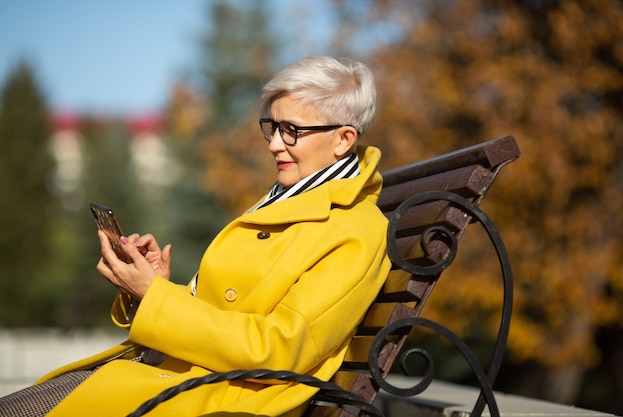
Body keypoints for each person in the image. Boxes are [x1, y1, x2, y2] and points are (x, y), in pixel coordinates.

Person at [0, 55, 391, 417]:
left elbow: (278, 350)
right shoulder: (290, 199)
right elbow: (227, 310)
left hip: (218, 395)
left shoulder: (354, 229)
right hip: (179, 373)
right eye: (272, 127)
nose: (274, 144)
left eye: (292, 131)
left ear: (343, 139)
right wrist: (152, 288)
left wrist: (157, 298)